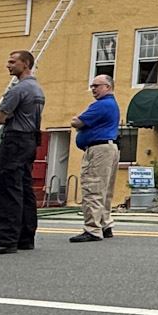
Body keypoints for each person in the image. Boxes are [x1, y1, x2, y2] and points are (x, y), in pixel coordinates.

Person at [0, 50, 46, 256]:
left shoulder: (17, 90)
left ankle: (6, 239)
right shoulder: (37, 89)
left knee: (8, 188)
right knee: (25, 188)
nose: (8, 65)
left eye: (12, 62)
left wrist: (6, 117)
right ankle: (26, 238)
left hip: (15, 140)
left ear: (25, 64)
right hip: (30, 140)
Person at [68, 73, 120, 243]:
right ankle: (105, 225)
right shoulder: (111, 105)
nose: (93, 89)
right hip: (109, 148)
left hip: (98, 150)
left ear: (108, 87)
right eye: (92, 86)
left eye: (97, 86)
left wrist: (78, 124)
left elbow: (77, 122)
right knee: (105, 190)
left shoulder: (101, 105)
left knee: (93, 187)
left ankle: (92, 229)